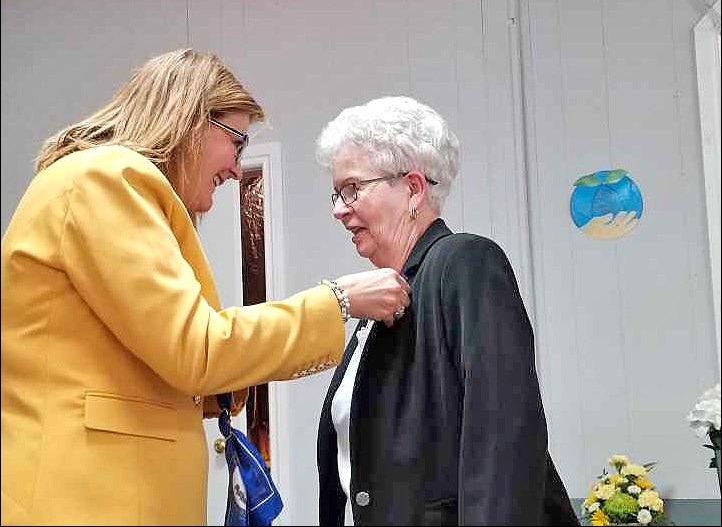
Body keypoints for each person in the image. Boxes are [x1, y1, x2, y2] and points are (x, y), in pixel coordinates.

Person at [0, 49, 411, 525]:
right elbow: (195, 349)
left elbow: (164, 360)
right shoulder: (104, 180)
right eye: (236, 142)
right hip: (83, 503)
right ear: (189, 117)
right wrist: (338, 300)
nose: (237, 168)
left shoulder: (102, 185)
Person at [315, 96, 579, 525]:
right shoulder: (381, 301)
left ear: (414, 189)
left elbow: (503, 435)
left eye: (352, 188)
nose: (338, 209)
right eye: (337, 192)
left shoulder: (465, 262)